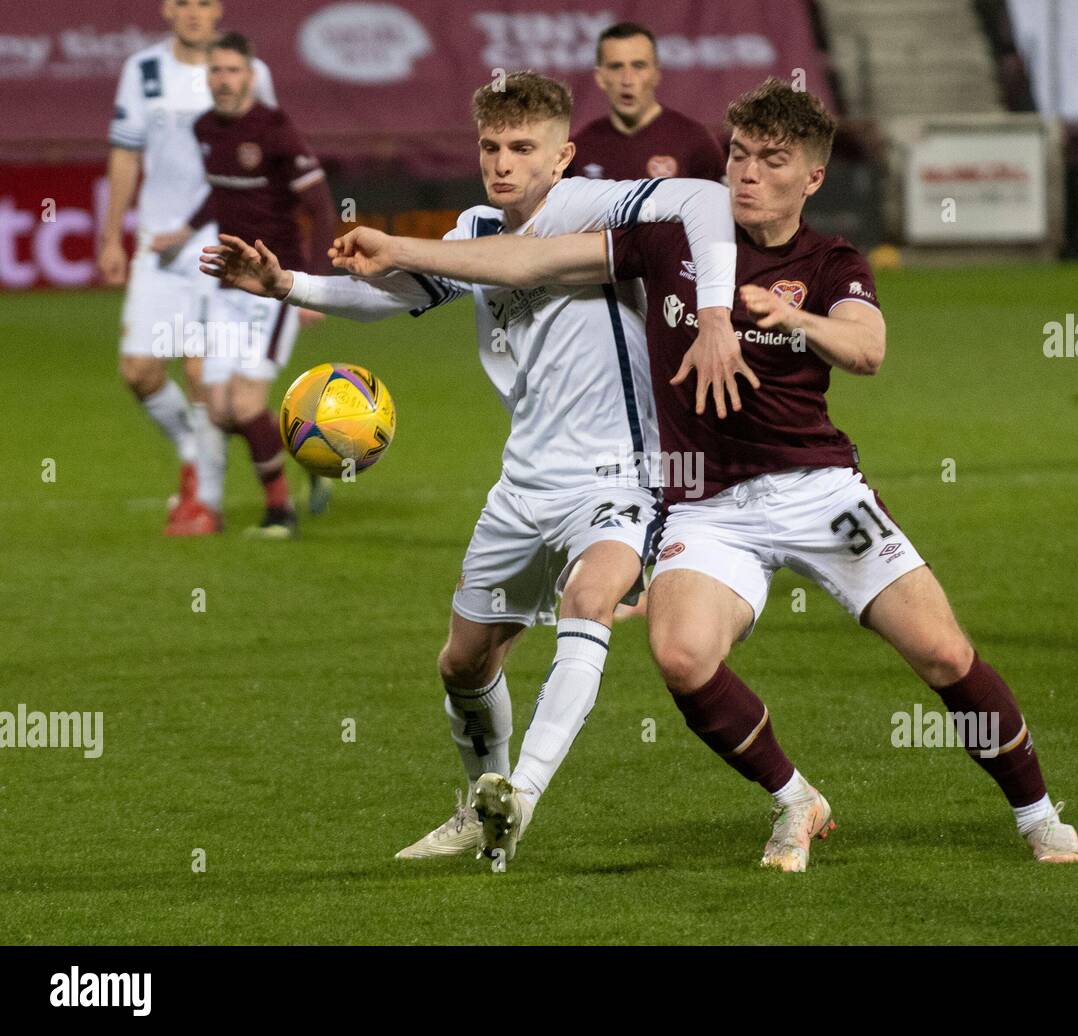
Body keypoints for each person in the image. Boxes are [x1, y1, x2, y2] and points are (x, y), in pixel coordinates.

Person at [342, 78, 1078, 873]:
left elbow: (867, 349)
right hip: (704, 503)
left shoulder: (830, 260)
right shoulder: (667, 237)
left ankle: (1039, 818)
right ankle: (797, 799)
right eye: (738, 154)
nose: (747, 172)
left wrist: (794, 317)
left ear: (813, 178)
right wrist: (399, 249)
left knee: (941, 652)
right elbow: (526, 256)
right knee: (682, 655)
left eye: (773, 160)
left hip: (820, 490)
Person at [199, 72, 740, 866]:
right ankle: (481, 810)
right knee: (463, 660)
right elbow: (397, 295)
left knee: (590, 600)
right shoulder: (478, 225)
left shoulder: (593, 206)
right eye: (491, 146)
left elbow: (706, 201)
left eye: (523, 147)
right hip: (523, 482)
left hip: (619, 474)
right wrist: (285, 284)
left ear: (562, 156)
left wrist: (718, 313)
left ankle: (521, 793)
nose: (503, 161)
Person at [99, 0, 275, 535]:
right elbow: (126, 155)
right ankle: (198, 447)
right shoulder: (143, 71)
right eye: (183, 3)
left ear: (218, 9)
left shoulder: (251, 71)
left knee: (200, 371)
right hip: (159, 241)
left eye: (204, 2)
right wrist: (112, 235)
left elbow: (269, 154)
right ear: (166, 10)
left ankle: (205, 504)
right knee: (140, 370)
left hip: (217, 239)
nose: (195, 13)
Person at [152, 32, 335, 538]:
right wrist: (184, 233)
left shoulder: (274, 130)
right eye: (215, 71)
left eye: (233, 71)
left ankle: (280, 513)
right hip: (227, 284)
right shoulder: (206, 128)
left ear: (251, 77)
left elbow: (319, 205)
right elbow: (221, 193)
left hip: (274, 286)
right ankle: (304, 459)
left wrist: (313, 285)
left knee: (244, 405)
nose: (224, 80)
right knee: (216, 405)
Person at [568, 22, 725, 182]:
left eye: (638, 66)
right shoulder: (580, 147)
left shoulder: (696, 142)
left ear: (656, 74)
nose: (627, 79)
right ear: (600, 77)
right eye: (616, 67)